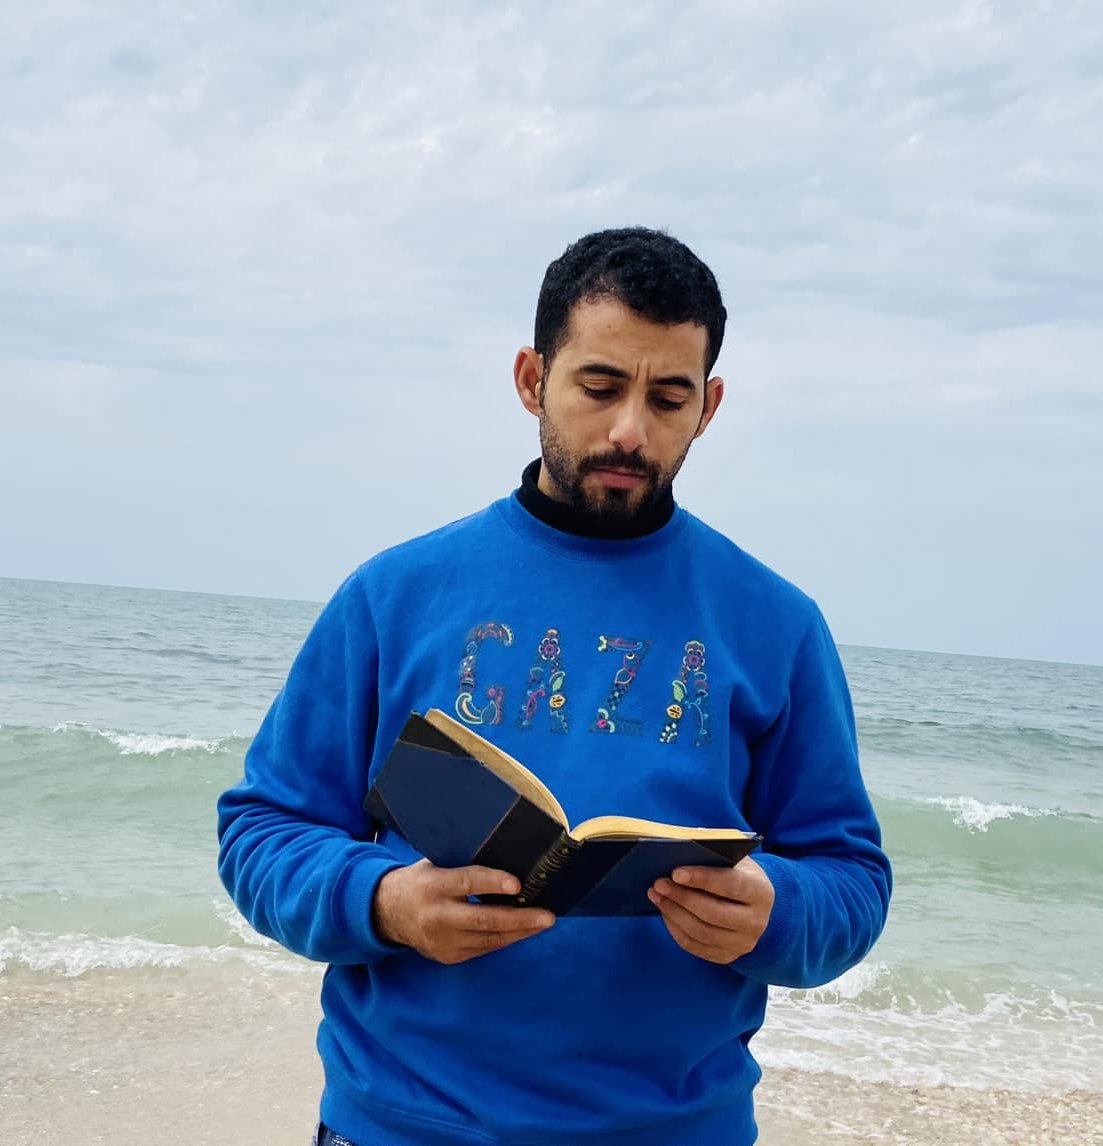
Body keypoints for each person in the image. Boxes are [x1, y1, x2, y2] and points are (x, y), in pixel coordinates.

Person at [218, 227, 892, 1146]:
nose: (629, 431)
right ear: (533, 379)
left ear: (710, 407)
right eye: (601, 387)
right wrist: (385, 903)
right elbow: (263, 829)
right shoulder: (394, 596)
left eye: (668, 398)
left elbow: (851, 880)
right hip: (401, 1124)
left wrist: (778, 913)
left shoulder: (776, 623)